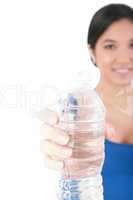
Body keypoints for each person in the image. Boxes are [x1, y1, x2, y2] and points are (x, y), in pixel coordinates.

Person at [40, 3, 133, 200]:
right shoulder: (77, 110)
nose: (125, 57)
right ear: (92, 51)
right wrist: (55, 149)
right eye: (110, 46)